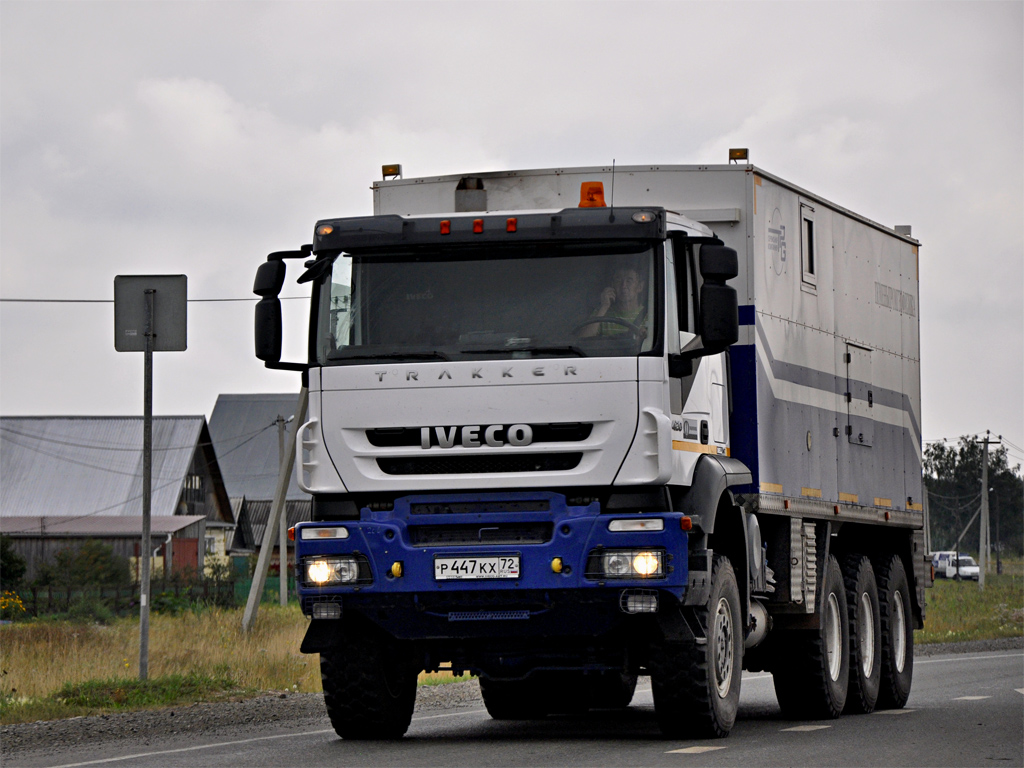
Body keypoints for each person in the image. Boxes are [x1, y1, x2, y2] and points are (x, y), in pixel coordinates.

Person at [578, 266, 647, 338]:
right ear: (612, 285)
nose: (623, 286)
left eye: (629, 281)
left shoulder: (649, 315)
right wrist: (604, 307)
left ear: (640, 287)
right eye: (618, 281)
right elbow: (582, 340)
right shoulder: (601, 314)